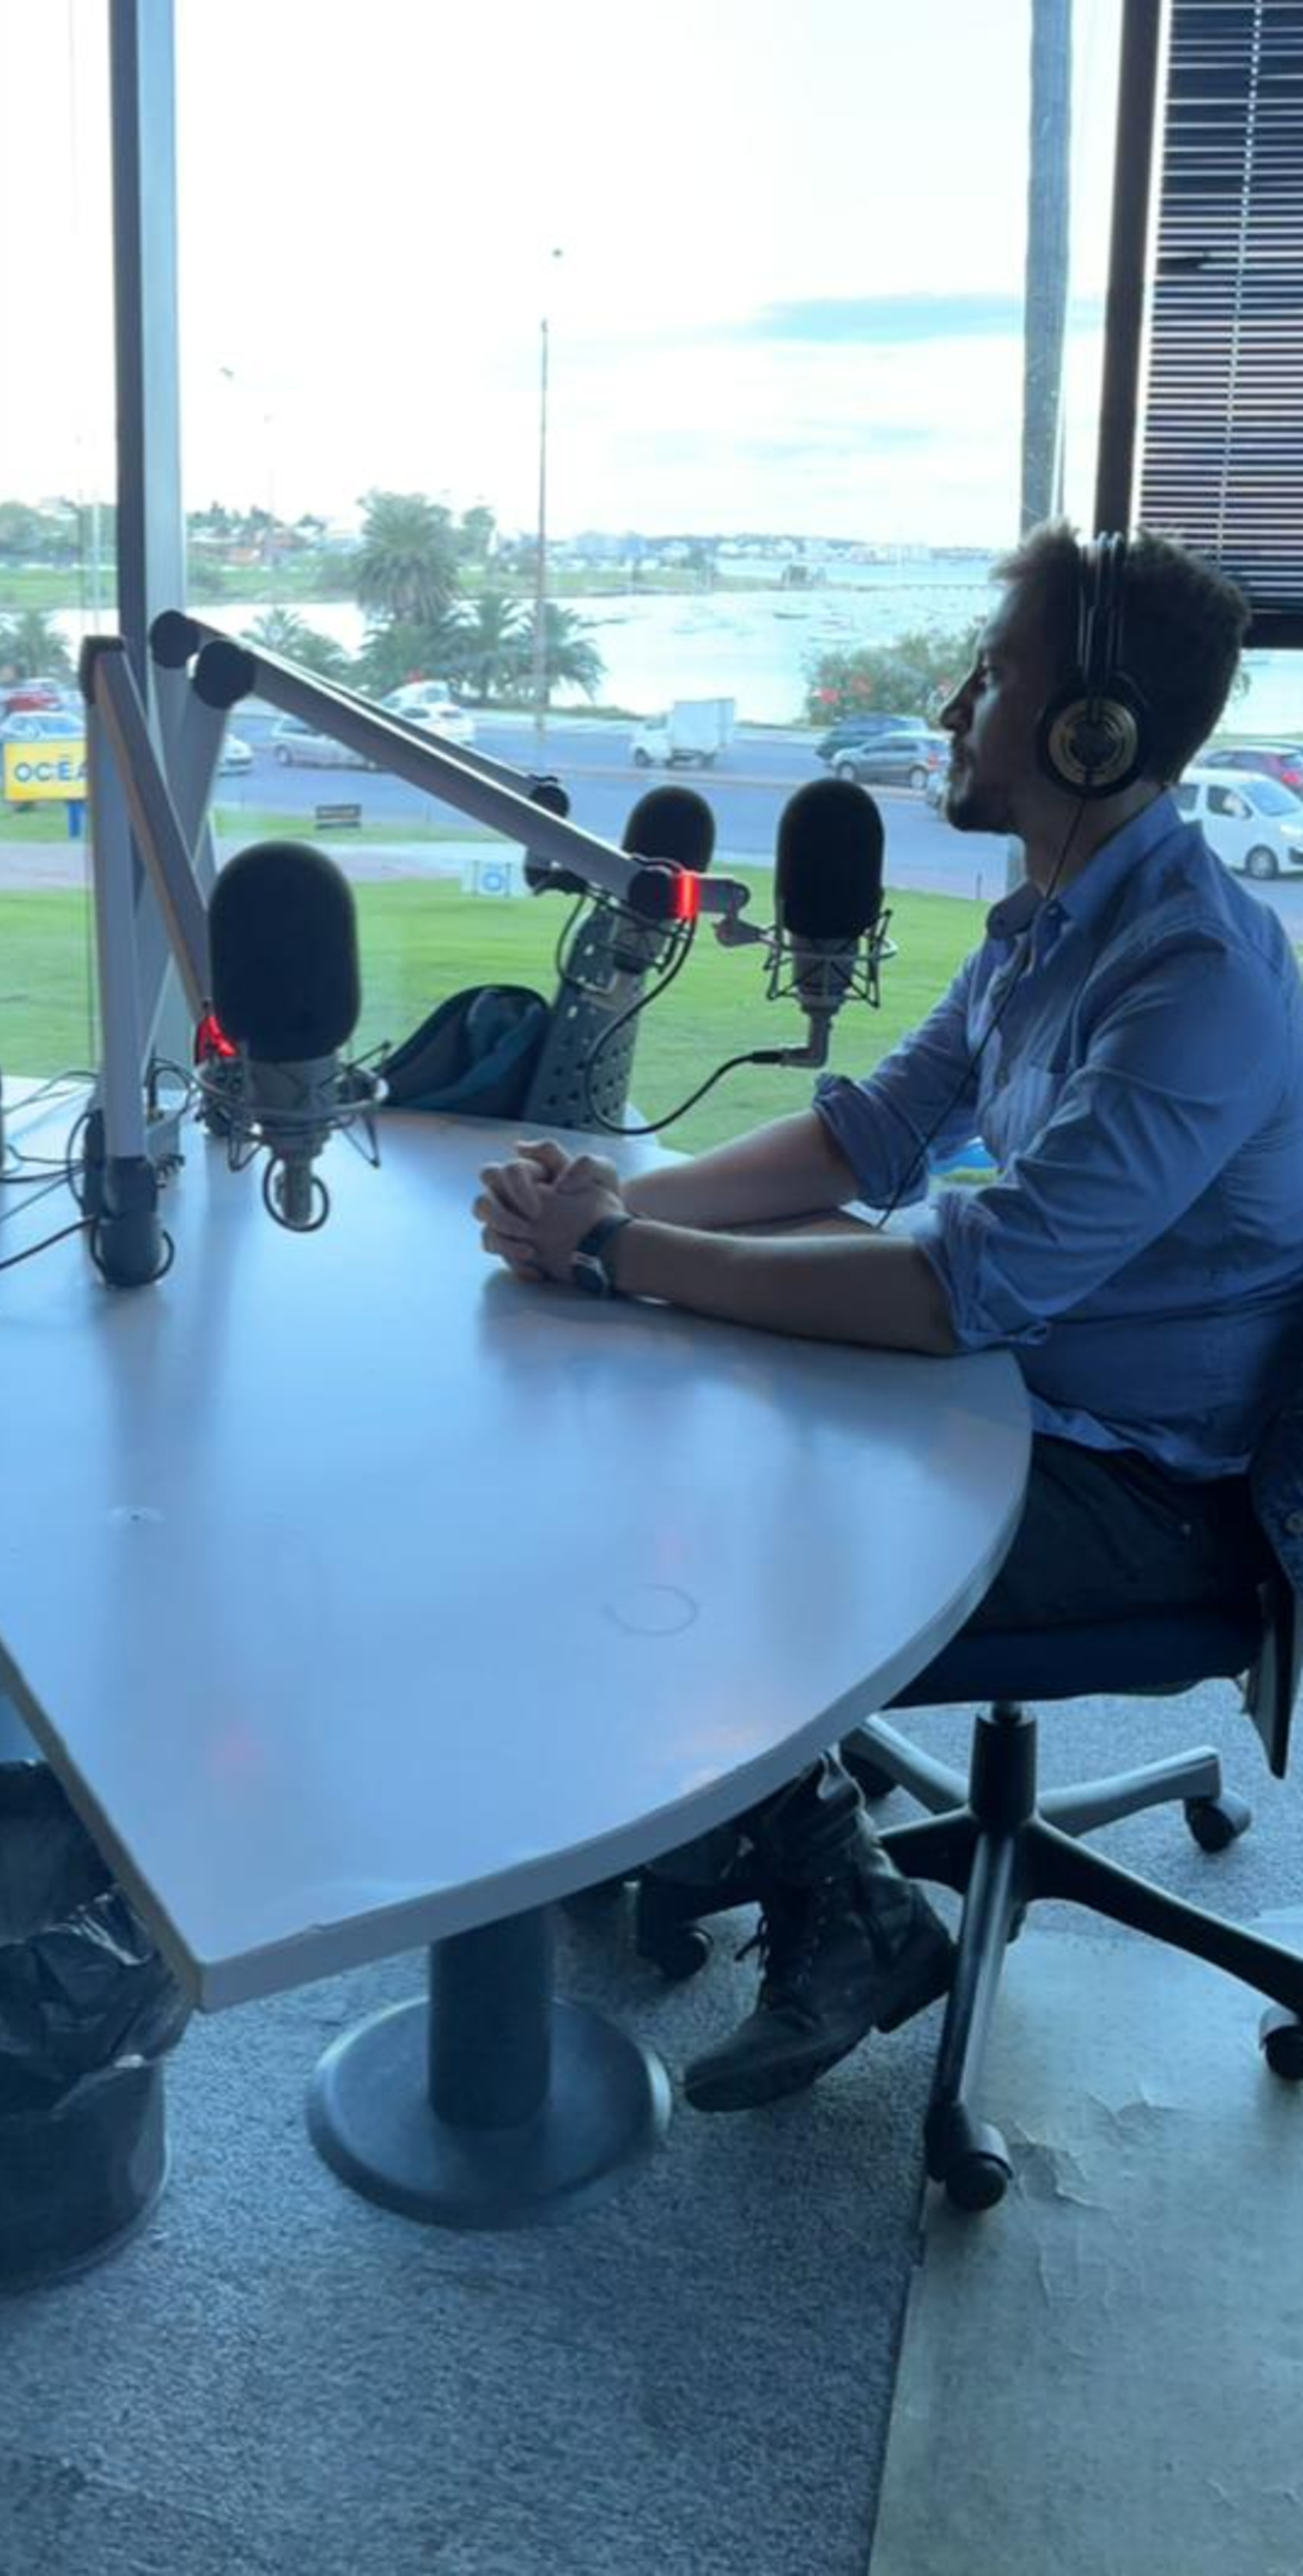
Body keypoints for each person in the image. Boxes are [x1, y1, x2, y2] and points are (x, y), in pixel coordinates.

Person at [473, 522, 1303, 2113]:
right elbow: (869, 1136)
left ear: (1093, 732)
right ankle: (744, 1812)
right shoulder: (1053, 921)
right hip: (1007, 1392)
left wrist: (618, 1258)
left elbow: (956, 1288)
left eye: (992, 678)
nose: (951, 710)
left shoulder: (1193, 977)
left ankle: (845, 1897)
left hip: (1153, 1488)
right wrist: (611, 1199)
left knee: (696, 1538)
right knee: (661, 1414)